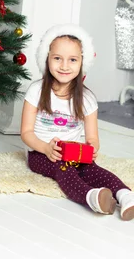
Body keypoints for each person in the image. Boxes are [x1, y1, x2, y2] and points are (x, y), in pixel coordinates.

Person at [20, 24, 134, 220]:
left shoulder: (87, 99)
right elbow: (26, 132)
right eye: (57, 58)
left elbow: (92, 137)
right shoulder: (36, 91)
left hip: (74, 153)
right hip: (40, 153)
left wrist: (92, 148)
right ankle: (92, 197)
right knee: (62, 168)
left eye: (72, 60)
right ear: (47, 60)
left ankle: (126, 196)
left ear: (82, 62)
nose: (64, 66)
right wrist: (46, 148)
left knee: (92, 169)